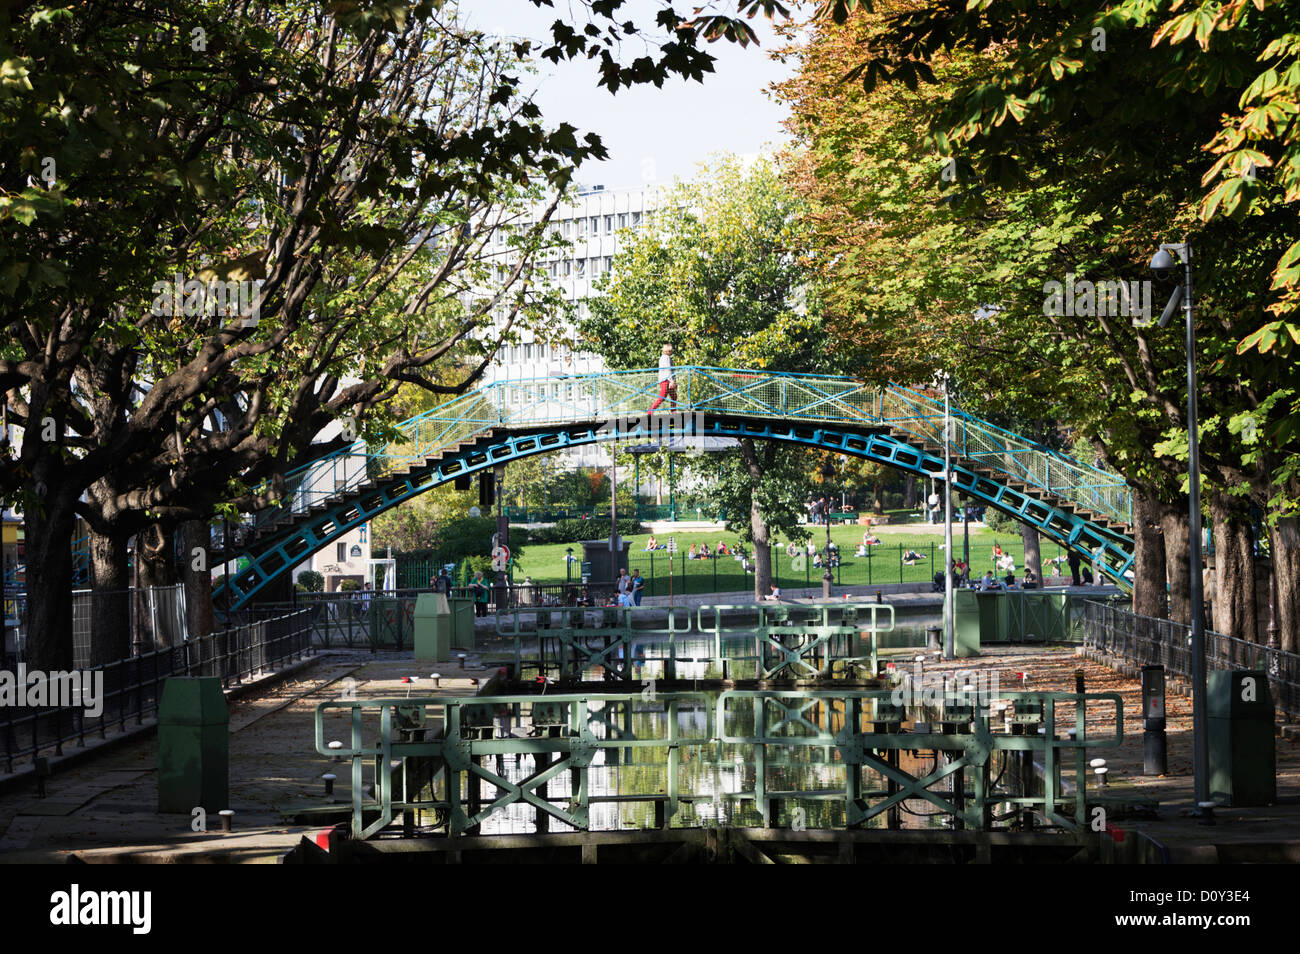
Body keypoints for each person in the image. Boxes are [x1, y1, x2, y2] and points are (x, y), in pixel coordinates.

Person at [648, 343, 676, 412]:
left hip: (666, 379)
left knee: (674, 396)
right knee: (662, 396)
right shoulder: (666, 358)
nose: (671, 352)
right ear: (668, 351)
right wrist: (672, 381)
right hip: (665, 380)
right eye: (670, 351)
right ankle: (650, 411)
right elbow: (668, 370)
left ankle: (673, 412)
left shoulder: (664, 358)